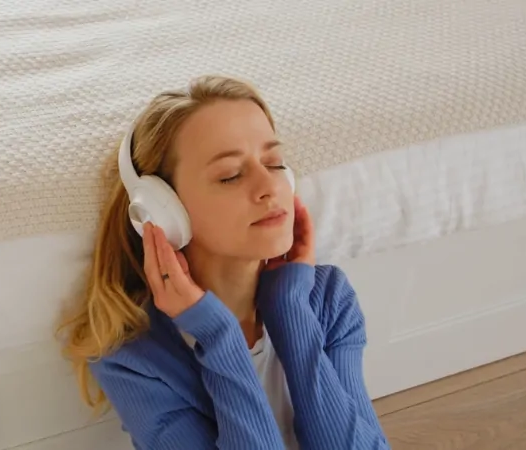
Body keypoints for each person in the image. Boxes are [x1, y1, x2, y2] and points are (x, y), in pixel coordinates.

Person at [56, 75, 390, 449]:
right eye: (230, 176)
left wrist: (290, 310)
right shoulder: (134, 357)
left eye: (274, 163)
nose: (269, 187)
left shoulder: (326, 298)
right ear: (163, 209)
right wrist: (218, 334)